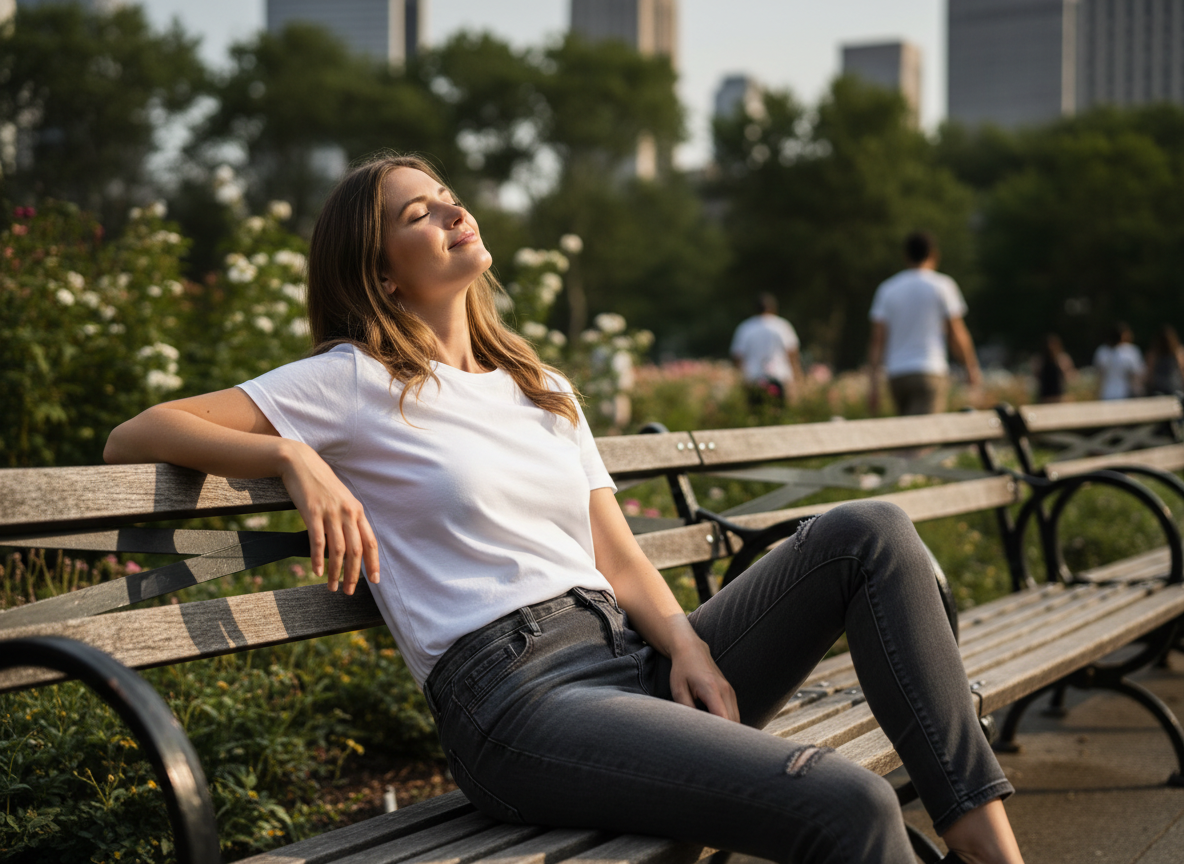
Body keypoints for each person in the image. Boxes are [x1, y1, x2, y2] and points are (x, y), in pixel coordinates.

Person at [104, 155, 1024, 864]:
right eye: (417, 213)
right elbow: (136, 434)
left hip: (625, 654)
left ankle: (984, 838)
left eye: (448, 195)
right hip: (518, 701)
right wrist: (288, 454)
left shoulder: (538, 383)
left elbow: (616, 554)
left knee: (870, 533)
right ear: (380, 273)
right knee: (848, 802)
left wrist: (691, 646)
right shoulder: (352, 381)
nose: (453, 211)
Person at [867, 232, 982, 416]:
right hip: (930, 370)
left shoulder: (887, 289)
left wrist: (873, 385)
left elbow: (877, 340)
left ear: (905, 256)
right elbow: (956, 333)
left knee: (908, 434)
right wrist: (971, 367)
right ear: (934, 254)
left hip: (897, 374)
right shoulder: (942, 286)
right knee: (925, 438)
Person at [730, 293, 803, 406]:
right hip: (779, 376)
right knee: (779, 412)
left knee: (755, 413)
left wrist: (740, 377)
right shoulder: (782, 325)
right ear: (773, 308)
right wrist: (797, 377)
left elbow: (737, 356)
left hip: (753, 378)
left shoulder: (746, 327)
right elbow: (792, 353)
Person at [1093, 323, 1145, 400]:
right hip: (1125, 394)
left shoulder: (1102, 351)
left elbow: (1098, 375)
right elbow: (1138, 374)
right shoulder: (1130, 351)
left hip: (1106, 394)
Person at [1144, 324, 1184, 397]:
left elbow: (1150, 374)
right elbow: (1182, 370)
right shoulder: (1178, 352)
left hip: (1158, 388)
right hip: (1174, 386)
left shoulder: (1153, 354)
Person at [1035, 333, 1075, 404]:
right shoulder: (1041, 361)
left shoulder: (1062, 359)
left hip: (1059, 398)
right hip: (1044, 399)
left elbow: (1070, 376)